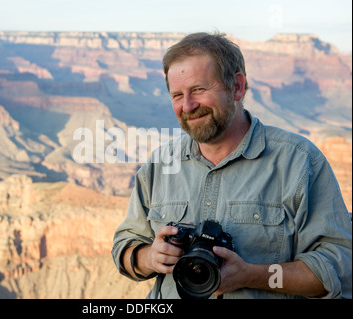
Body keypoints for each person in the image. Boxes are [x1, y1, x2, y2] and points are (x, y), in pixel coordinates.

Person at [111, 32, 352, 299]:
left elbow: (335, 269)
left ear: (237, 87)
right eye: (177, 95)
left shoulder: (299, 162)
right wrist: (149, 257)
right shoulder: (159, 166)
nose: (188, 106)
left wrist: (252, 275)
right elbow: (124, 246)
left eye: (199, 90)